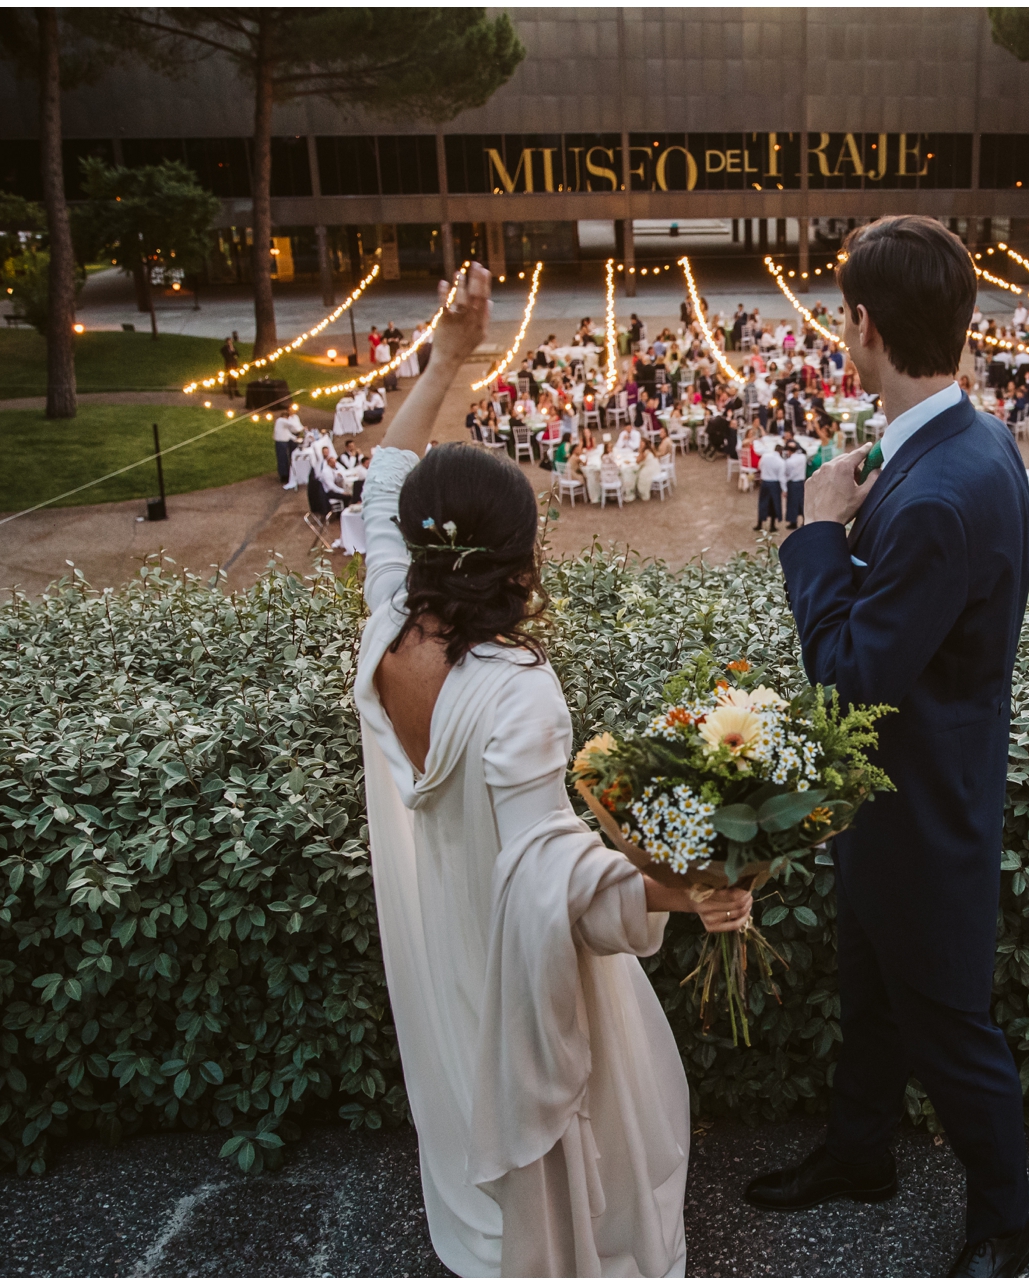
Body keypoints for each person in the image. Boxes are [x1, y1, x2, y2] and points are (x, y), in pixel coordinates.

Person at [351, 264, 749, 1277]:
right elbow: (555, 880)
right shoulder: (517, 690)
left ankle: (478, 1227)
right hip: (509, 946)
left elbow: (384, 478)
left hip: (440, 912)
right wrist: (688, 890)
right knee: (619, 1130)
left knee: (451, 1056)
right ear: (519, 562)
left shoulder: (388, 619)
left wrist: (449, 352)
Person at [752, 216, 1029, 1279]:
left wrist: (818, 530)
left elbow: (849, 683)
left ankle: (1003, 1222)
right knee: (869, 996)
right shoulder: (973, 440)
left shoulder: (940, 495)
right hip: (894, 803)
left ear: (862, 326)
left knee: (950, 1025)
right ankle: (859, 1154)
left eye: (842, 315)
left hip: (921, 811)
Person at [754, 428, 786, 531]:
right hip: (775, 484)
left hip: (765, 482)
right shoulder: (781, 462)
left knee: (762, 503)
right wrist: (784, 490)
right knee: (774, 504)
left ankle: (759, 524)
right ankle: (772, 525)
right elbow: (782, 477)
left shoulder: (765, 456)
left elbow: (759, 467)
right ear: (781, 452)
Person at [634, 424, 672, 501]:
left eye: (662, 432)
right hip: (656, 465)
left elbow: (638, 461)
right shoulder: (649, 450)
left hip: (656, 464)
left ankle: (640, 491)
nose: (660, 434)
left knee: (640, 473)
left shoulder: (646, 452)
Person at [777, 433, 807, 528]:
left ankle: (793, 522)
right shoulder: (802, 457)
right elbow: (803, 451)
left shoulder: (789, 462)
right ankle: (804, 520)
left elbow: (787, 474)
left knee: (792, 503)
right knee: (801, 502)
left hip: (793, 483)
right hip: (801, 482)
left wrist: (784, 486)